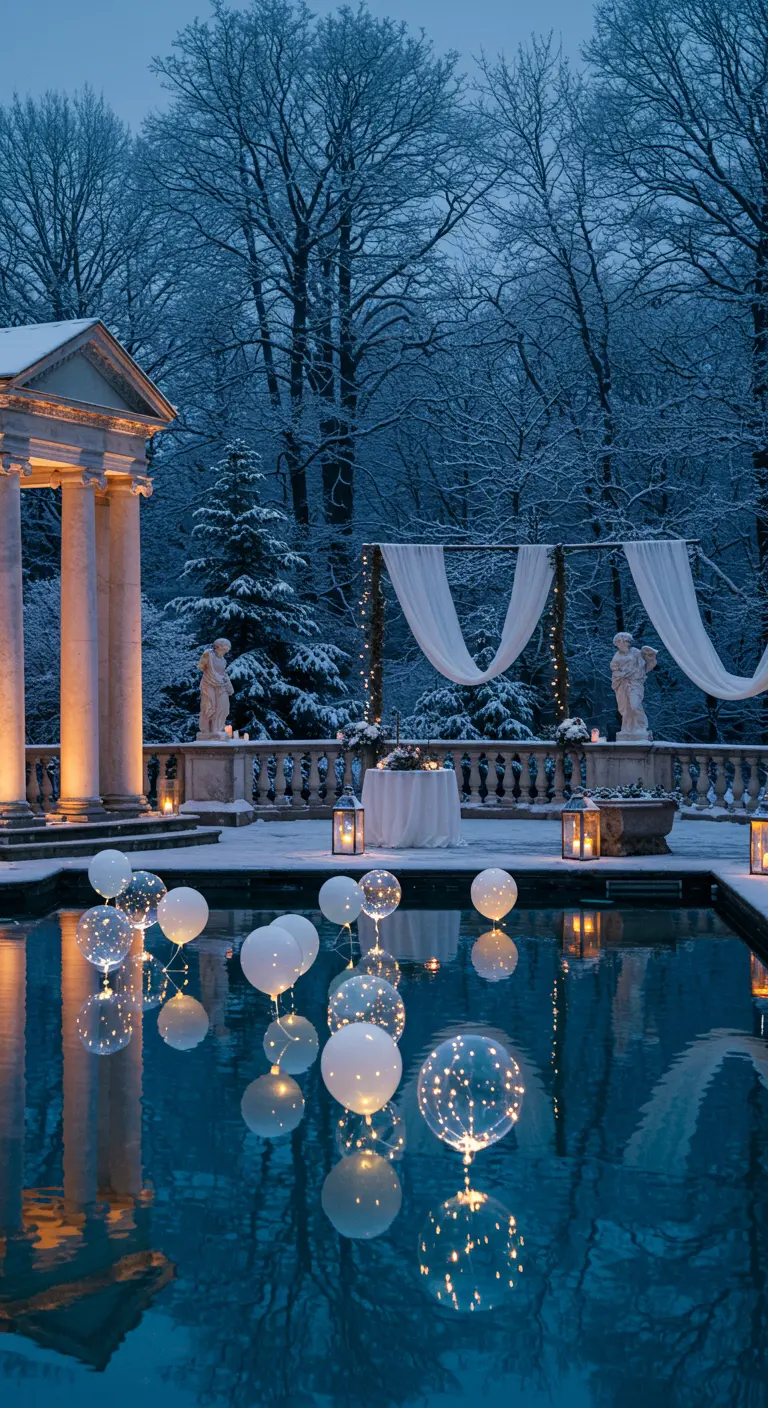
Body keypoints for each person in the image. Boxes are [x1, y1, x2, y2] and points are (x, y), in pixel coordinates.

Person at [610, 632, 657, 739]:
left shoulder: (635, 652)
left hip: (634, 683)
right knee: (624, 708)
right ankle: (627, 728)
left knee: (635, 705)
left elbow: (644, 665)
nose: (625, 643)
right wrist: (621, 674)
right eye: (622, 641)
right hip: (622, 683)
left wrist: (650, 654)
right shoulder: (616, 656)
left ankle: (641, 726)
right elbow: (614, 670)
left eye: (627, 641)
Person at [197, 638, 234, 737]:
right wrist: (204, 659)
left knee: (224, 707)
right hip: (209, 684)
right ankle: (209, 730)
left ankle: (218, 727)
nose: (225, 652)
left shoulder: (223, 661)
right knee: (210, 707)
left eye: (226, 651)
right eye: (224, 650)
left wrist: (229, 686)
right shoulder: (209, 654)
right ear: (218, 648)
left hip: (221, 685)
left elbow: (224, 674)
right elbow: (202, 667)